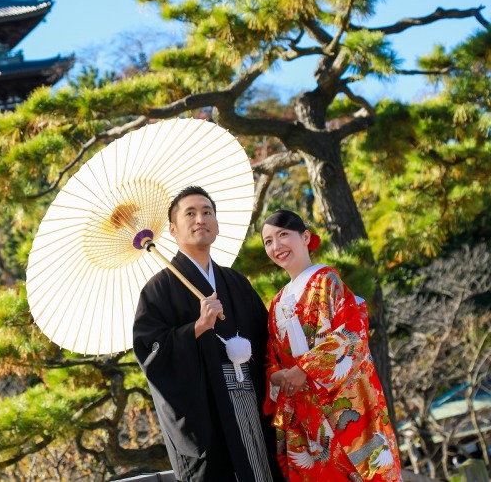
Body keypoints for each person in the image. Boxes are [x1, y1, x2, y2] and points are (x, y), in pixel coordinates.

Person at [133, 186, 283, 482]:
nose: (200, 219)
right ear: (174, 230)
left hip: (251, 400)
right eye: (190, 213)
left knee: (263, 469)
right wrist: (196, 328)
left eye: (207, 212)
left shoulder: (236, 282)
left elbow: (269, 341)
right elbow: (149, 352)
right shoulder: (158, 290)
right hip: (206, 412)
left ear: (215, 224)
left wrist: (276, 372)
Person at [261, 209, 402, 481]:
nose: (276, 246)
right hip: (304, 417)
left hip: (341, 405)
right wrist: (277, 375)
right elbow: (272, 358)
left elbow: (351, 334)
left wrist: (305, 369)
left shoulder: (326, 280)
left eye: (283, 235)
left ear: (305, 236)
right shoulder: (277, 302)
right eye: (268, 241)